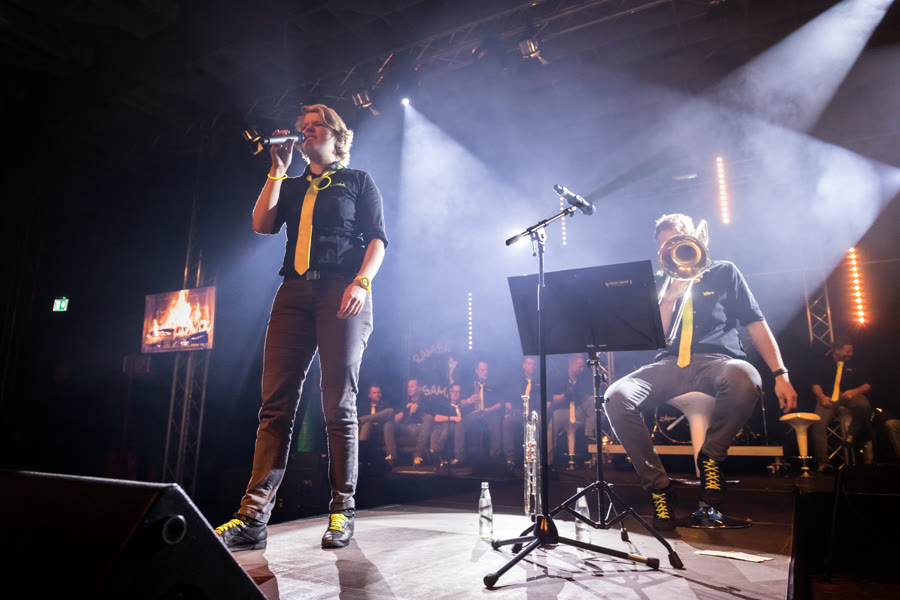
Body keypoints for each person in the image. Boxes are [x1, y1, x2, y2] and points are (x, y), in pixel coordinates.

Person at [214, 104, 388, 551]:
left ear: (337, 136)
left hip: (341, 289)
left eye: (315, 126)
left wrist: (361, 282)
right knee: (275, 406)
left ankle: (342, 509)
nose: (306, 132)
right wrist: (277, 169)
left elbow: (377, 239)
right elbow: (261, 225)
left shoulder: (357, 180)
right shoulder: (291, 184)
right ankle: (253, 518)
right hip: (293, 293)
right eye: (302, 128)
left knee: (338, 404)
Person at [604, 213, 796, 530]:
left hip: (718, 361)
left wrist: (781, 373)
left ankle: (712, 456)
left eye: (676, 242)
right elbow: (657, 336)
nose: (671, 250)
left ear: (693, 239)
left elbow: (756, 324)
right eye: (664, 246)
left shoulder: (724, 271)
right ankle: (659, 488)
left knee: (747, 376)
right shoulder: (658, 281)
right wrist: (671, 295)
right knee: (615, 397)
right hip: (669, 363)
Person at [810, 339, 873, 470]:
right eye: (847, 351)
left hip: (849, 395)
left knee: (864, 405)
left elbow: (867, 385)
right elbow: (815, 384)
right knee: (818, 423)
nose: (850, 354)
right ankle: (823, 463)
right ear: (836, 350)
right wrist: (822, 397)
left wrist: (855, 391)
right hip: (828, 397)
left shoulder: (856, 363)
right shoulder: (822, 362)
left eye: (852, 351)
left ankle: (851, 434)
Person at [549, 354, 594, 470]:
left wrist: (579, 393)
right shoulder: (559, 378)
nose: (582, 369)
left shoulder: (584, 379)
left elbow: (586, 397)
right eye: (580, 366)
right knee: (553, 423)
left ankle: (589, 433)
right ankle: (548, 461)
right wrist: (565, 395)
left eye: (583, 367)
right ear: (571, 364)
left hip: (579, 410)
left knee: (592, 401)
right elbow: (553, 399)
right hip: (564, 411)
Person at [456, 361, 503, 464]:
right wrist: (470, 400)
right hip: (475, 413)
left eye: (486, 370)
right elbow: (461, 404)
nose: (485, 372)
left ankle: (494, 457)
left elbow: (500, 404)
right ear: (476, 371)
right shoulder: (470, 384)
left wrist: (489, 409)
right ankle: (459, 458)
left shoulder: (493, 384)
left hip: (489, 413)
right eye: (482, 370)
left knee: (495, 423)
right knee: (460, 424)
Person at [501, 357, 540, 469]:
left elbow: (543, 401)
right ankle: (510, 459)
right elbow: (509, 399)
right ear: (524, 366)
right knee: (507, 422)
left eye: (533, 364)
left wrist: (539, 412)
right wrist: (508, 411)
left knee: (536, 424)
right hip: (518, 411)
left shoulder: (539, 381)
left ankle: (532, 460)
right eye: (529, 364)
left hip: (534, 412)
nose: (532, 366)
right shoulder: (516, 381)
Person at [394, 378, 432, 465]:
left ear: (419, 388)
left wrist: (419, 410)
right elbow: (394, 420)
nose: (409, 389)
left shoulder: (426, 402)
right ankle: (392, 456)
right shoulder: (404, 401)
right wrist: (406, 411)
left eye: (412, 386)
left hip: (418, 427)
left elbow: (430, 419)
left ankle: (417, 456)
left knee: (426, 425)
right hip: (404, 427)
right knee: (389, 425)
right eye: (408, 387)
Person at [358, 384, 397, 465]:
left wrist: (364, 419)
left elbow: (390, 413)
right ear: (369, 395)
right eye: (374, 393)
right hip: (366, 428)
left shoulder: (385, 405)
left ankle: (391, 457)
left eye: (379, 392)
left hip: (380, 427)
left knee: (390, 413)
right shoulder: (363, 406)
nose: (378, 395)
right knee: (367, 423)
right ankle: (360, 455)